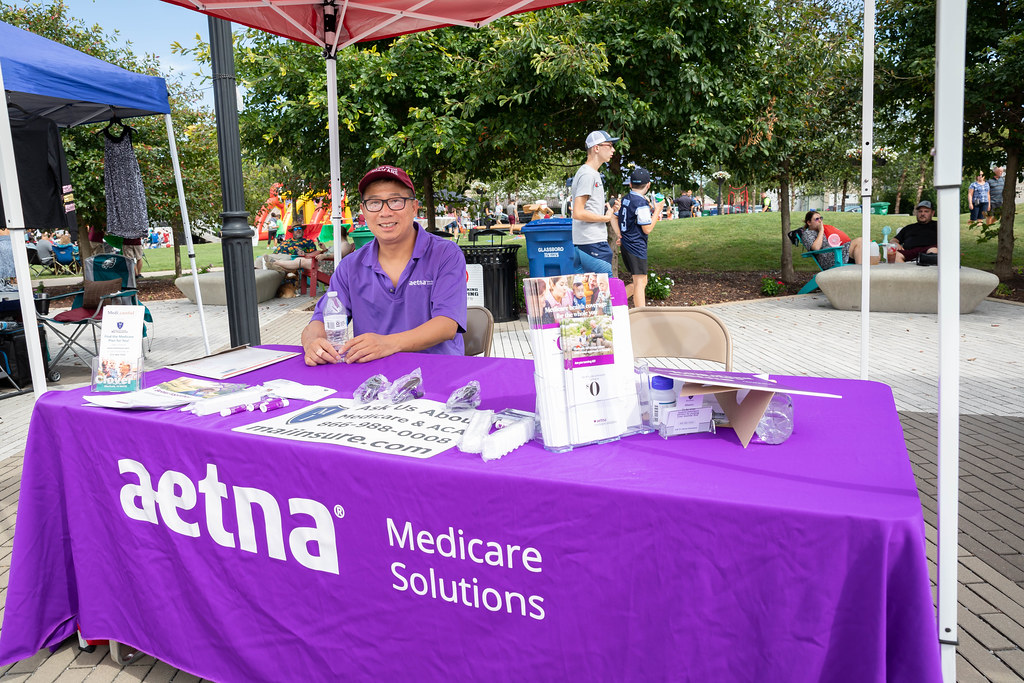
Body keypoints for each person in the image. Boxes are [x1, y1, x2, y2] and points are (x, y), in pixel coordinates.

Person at [301, 165, 467, 364]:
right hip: (373, 378)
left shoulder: (445, 254)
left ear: (414, 207)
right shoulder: (350, 266)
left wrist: (388, 343)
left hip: (439, 371)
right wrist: (313, 343)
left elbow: (447, 324)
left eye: (396, 201)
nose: (385, 212)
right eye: (374, 203)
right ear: (363, 210)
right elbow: (319, 320)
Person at [613, 167, 665, 307]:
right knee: (640, 283)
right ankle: (641, 315)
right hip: (636, 246)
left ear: (630, 184)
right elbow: (647, 229)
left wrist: (620, 234)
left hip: (627, 245)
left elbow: (613, 217)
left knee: (642, 281)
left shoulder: (625, 199)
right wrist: (657, 211)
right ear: (648, 185)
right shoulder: (641, 203)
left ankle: (614, 303)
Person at [571, 130, 620, 275]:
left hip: (585, 243)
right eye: (609, 145)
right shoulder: (588, 174)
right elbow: (578, 212)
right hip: (592, 243)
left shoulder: (590, 173)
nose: (613, 150)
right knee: (606, 293)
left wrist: (608, 209)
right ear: (596, 148)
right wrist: (604, 218)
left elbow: (588, 207)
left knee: (587, 295)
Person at [796, 210, 878, 269]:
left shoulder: (821, 232)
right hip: (828, 259)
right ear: (809, 222)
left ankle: (866, 274)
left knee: (866, 244)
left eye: (821, 218)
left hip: (836, 253)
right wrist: (821, 230)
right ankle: (860, 275)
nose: (820, 221)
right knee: (860, 240)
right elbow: (816, 248)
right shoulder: (807, 234)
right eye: (817, 219)